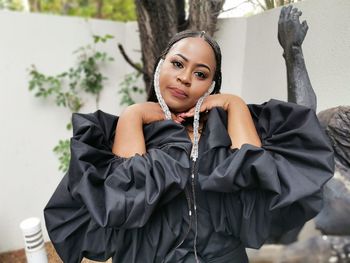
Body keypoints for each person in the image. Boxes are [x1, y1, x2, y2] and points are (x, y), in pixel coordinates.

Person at [44, 10, 334, 263]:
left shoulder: (227, 124)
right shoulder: (132, 126)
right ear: (161, 65)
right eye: (178, 64)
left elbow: (264, 175)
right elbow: (123, 199)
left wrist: (235, 104)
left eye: (201, 74)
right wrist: (133, 114)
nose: (185, 78)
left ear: (212, 84)